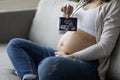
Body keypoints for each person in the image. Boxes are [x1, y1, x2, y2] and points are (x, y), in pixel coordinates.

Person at [7, 0, 120, 80]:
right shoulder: (83, 2)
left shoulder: (114, 5)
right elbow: (62, 31)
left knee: (47, 65)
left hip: (85, 63)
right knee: (15, 44)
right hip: (59, 55)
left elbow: (105, 47)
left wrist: (71, 56)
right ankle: (30, 76)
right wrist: (65, 14)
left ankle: (33, 69)